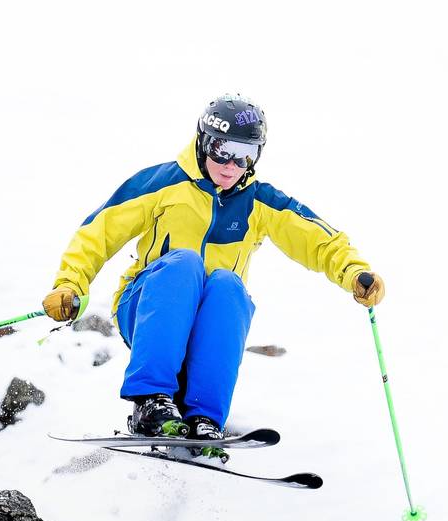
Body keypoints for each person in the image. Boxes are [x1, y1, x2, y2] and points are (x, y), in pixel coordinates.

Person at [43, 94, 384, 459]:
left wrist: (354, 273)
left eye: (246, 154)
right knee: (185, 264)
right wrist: (70, 284)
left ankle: (204, 419)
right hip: (148, 309)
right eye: (223, 149)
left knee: (228, 286)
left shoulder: (259, 201)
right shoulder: (164, 183)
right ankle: (151, 402)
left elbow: (318, 239)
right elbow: (99, 233)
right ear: (205, 141)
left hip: (207, 329)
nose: (232, 163)